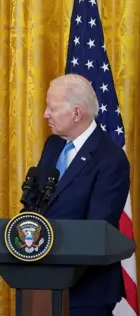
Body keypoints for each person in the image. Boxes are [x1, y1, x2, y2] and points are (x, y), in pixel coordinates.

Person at [28, 74, 130, 315]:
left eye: (52, 108)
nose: (45, 114)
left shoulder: (111, 158)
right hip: (41, 282)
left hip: (87, 290)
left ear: (76, 113)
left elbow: (97, 227)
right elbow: (37, 203)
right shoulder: (53, 145)